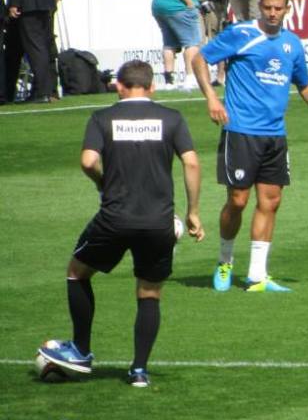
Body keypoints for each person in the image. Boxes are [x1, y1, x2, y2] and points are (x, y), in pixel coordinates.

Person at [37, 60, 205, 388]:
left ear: (118, 86)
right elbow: (192, 163)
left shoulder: (102, 118)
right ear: (152, 87)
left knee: (77, 272)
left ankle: (81, 350)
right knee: (149, 292)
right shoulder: (172, 118)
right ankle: (139, 370)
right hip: (158, 222)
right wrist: (193, 212)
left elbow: (88, 161)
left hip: (114, 218)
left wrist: (102, 183)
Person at [193, 0, 308, 293]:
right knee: (238, 201)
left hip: (275, 135)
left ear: (287, 9)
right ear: (260, 7)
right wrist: (212, 97)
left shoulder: (292, 44)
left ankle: (257, 276)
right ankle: (225, 260)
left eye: (278, 8)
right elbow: (199, 59)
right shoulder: (241, 34)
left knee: (270, 202)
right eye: (268, 7)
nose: (273, 13)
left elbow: (304, 85)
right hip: (241, 131)